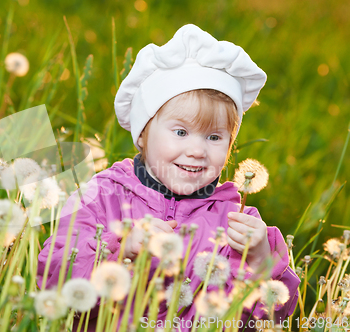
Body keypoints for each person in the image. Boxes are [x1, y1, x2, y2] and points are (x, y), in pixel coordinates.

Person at [37, 24, 300, 331]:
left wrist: (260, 261)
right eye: (180, 132)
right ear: (144, 134)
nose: (197, 150)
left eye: (214, 137)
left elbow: (271, 319)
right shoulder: (100, 197)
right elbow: (54, 279)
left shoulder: (238, 223)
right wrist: (121, 250)